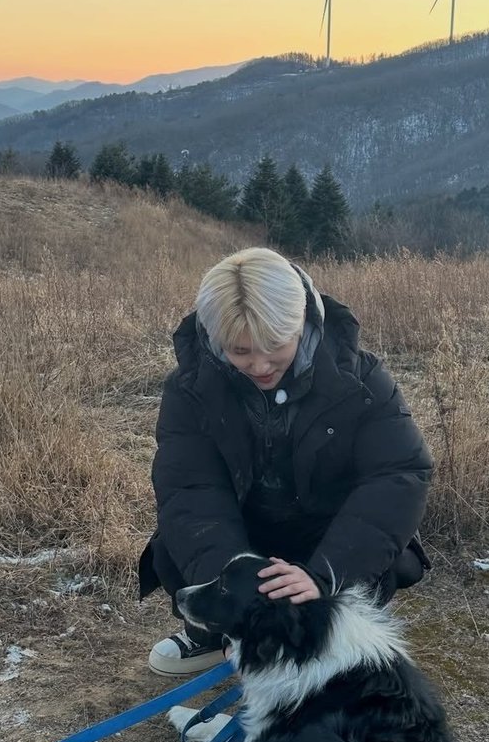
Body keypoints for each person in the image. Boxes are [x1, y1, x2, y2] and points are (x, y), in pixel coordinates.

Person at [138, 246, 434, 675]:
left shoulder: (362, 379)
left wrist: (325, 574)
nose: (259, 365)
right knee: (172, 546)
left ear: (301, 323)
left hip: (325, 534)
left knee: (386, 561)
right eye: (240, 351)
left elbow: (399, 474)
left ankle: (326, 633)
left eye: (275, 346)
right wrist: (233, 595)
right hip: (244, 534)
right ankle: (214, 633)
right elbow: (190, 489)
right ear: (216, 340)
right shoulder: (189, 390)